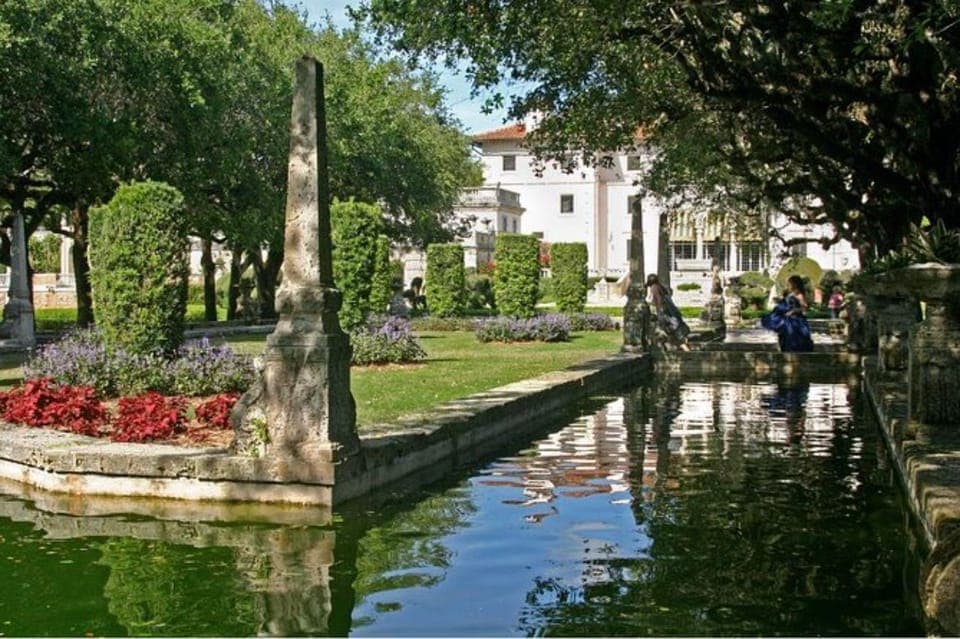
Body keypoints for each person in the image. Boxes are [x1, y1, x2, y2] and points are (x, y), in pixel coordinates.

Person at [761, 275, 814, 352]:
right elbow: (788, 303)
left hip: (795, 320)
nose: (788, 284)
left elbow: (804, 307)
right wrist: (779, 301)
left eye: (789, 283)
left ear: (795, 284)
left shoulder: (799, 294)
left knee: (793, 337)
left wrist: (793, 311)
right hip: (788, 318)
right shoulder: (791, 293)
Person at [645, 274, 691, 351]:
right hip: (671, 314)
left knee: (666, 334)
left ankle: (685, 349)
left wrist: (659, 311)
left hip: (666, 315)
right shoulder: (660, 287)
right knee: (674, 335)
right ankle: (683, 347)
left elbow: (658, 300)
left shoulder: (654, 288)